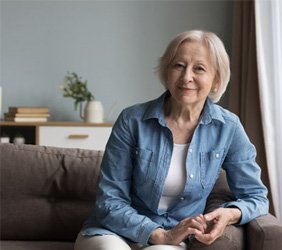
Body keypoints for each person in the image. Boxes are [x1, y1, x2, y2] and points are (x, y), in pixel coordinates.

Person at [74, 30, 269, 250]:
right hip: (114, 232)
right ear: (167, 71)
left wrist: (230, 213)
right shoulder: (132, 120)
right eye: (179, 65)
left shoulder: (228, 128)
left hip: (176, 235)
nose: (187, 77)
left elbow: (256, 196)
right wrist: (159, 235)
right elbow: (109, 200)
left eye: (199, 68)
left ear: (216, 80)